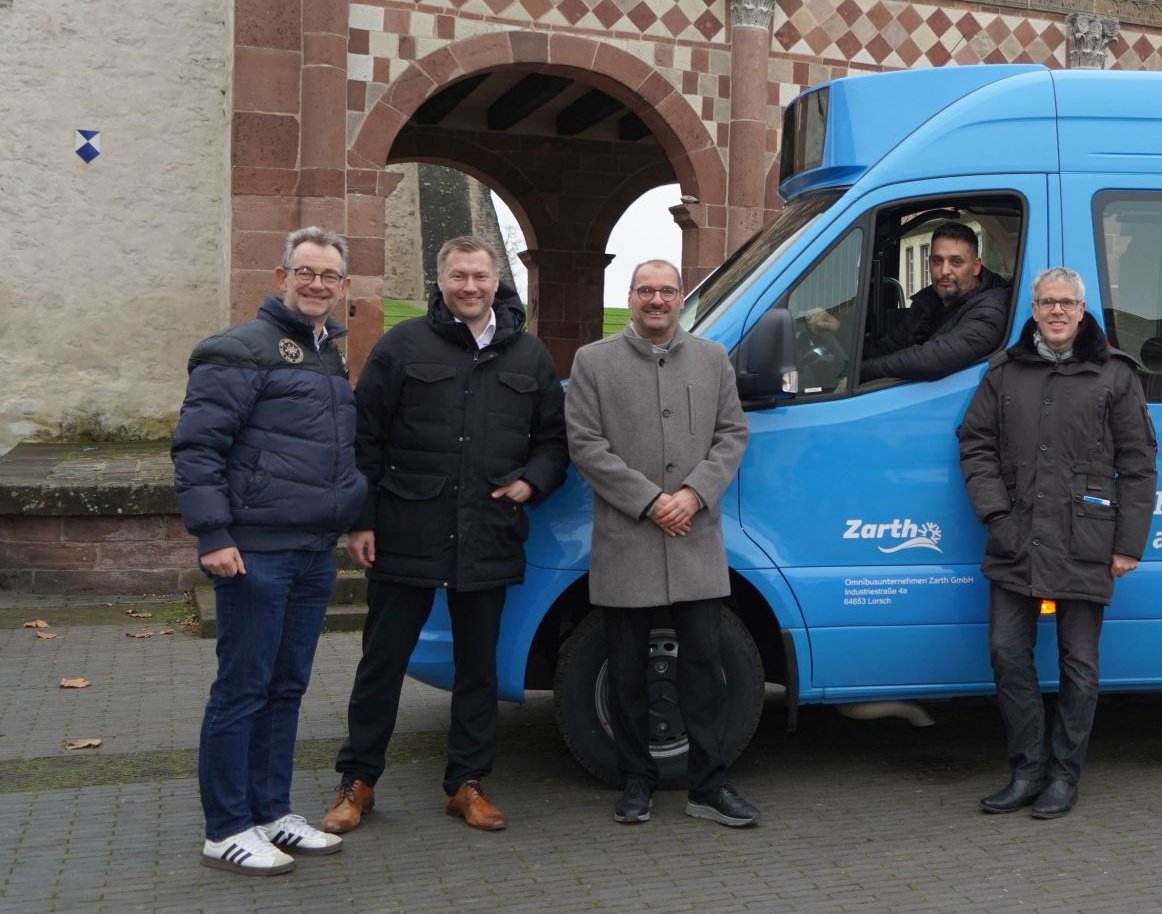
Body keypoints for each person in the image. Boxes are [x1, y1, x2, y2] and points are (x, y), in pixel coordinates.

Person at [320, 237, 567, 834]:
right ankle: (357, 781)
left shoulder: (529, 355)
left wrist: (531, 483)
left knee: (478, 667)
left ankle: (466, 783)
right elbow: (365, 437)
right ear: (441, 281)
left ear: (495, 280)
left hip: (488, 531)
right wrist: (361, 520)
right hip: (406, 531)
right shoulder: (402, 345)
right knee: (381, 664)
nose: (470, 287)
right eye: (458, 276)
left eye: (479, 276)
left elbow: (554, 441)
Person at [173, 226, 368, 874]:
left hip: (312, 551)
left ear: (342, 286)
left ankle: (271, 811)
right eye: (305, 271)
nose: (317, 284)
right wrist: (213, 535)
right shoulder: (237, 350)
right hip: (256, 552)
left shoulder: (326, 355)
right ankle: (226, 826)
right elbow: (198, 448)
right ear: (282, 277)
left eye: (329, 275)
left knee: (285, 688)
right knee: (243, 689)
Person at [956, 266, 1158, 819]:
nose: (1057, 312)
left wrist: (1128, 545)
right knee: (1005, 653)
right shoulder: (1005, 372)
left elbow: (1138, 465)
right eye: (1048, 302)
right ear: (1034, 310)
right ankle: (1027, 771)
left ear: (1082, 310)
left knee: (1079, 665)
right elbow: (975, 443)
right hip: (1015, 537)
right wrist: (996, 513)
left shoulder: (1114, 375)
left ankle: (1064, 776)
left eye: (1067, 303)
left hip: (1085, 539)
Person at [565, 258, 760, 828]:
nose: (657, 300)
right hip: (628, 538)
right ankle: (636, 781)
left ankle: (709, 785)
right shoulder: (592, 362)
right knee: (627, 672)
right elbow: (585, 445)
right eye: (646, 290)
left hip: (695, 537)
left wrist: (694, 494)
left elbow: (732, 435)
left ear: (681, 298)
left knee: (703, 670)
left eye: (667, 291)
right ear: (630, 297)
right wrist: (650, 502)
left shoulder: (713, 358)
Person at [812, 222, 1011, 384]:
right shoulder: (929, 301)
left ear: (976, 267)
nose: (944, 271)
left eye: (956, 262)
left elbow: (931, 359)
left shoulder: (991, 310)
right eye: (937, 261)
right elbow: (887, 348)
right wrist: (839, 329)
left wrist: (857, 373)